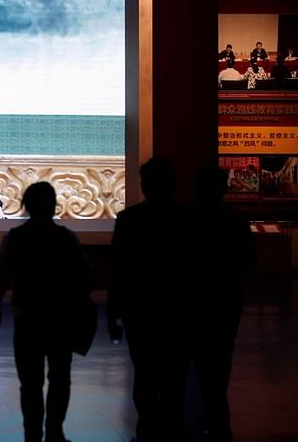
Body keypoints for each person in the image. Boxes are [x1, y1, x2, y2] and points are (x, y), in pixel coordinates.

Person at [0, 181, 94, 442]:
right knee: (60, 377)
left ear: (26, 205)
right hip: (61, 317)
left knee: (30, 382)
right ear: (53, 205)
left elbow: (0, 277)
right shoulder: (66, 237)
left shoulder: (13, 237)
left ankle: (31, 433)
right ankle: (55, 431)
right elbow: (86, 276)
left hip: (26, 318)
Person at [107, 157, 193, 442]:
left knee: (144, 374)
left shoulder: (129, 220)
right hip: (178, 311)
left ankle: (146, 428)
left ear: (144, 185)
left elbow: (117, 271)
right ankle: (172, 428)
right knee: (175, 378)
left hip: (140, 312)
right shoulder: (187, 220)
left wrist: (112, 316)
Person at [192, 166, 256, 442]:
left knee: (198, 359)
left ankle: (205, 411)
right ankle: (216, 414)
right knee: (221, 357)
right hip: (227, 300)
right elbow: (250, 261)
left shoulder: (189, 222)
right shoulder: (236, 221)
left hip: (196, 301)